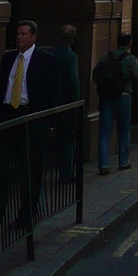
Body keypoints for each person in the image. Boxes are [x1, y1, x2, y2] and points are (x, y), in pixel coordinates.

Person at [0, 20, 62, 227]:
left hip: (31, 117)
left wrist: (51, 123)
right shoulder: (8, 58)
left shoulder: (46, 60)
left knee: (30, 169)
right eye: (18, 33)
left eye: (24, 34)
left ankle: (26, 214)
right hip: (7, 115)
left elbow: (54, 94)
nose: (20, 37)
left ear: (34, 36)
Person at [93, 33, 138, 175]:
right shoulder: (130, 59)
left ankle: (103, 165)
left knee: (104, 132)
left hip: (105, 97)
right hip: (123, 97)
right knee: (123, 130)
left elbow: (95, 75)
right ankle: (123, 162)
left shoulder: (106, 57)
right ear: (129, 43)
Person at [52, 26, 80, 184]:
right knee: (67, 139)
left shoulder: (49, 52)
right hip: (65, 103)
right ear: (73, 39)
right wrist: (76, 103)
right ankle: (65, 173)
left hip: (48, 101)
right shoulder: (70, 56)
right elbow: (73, 80)